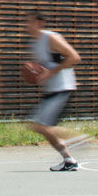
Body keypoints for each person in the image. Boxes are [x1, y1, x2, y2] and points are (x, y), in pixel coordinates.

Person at [25, 11, 83, 171]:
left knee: (41, 126)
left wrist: (50, 72)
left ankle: (76, 140)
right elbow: (44, 65)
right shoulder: (35, 42)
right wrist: (36, 72)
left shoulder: (50, 38)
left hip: (62, 86)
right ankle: (69, 160)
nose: (26, 25)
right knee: (38, 126)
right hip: (51, 88)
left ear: (39, 23)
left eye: (29, 22)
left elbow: (74, 57)